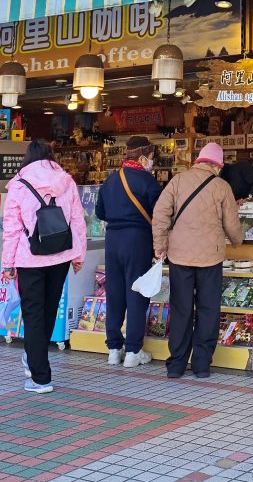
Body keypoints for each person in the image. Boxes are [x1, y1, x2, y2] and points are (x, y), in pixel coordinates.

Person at [1, 138, 87, 394]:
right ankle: (34, 358)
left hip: (30, 258)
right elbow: (77, 220)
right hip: (60, 255)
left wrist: (8, 264)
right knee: (48, 311)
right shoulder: (67, 181)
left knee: (33, 314)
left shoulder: (18, 184)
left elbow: (12, 229)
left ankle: (40, 377)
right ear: (51, 156)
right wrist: (78, 255)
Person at [151, 143, 243, 379]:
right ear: (217, 166)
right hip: (210, 258)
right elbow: (232, 225)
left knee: (181, 309)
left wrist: (160, 246)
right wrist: (237, 241)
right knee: (208, 310)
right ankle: (202, 365)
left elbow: (160, 213)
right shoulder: (222, 187)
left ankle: (176, 365)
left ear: (199, 161)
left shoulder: (178, 181)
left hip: (179, 257)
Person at [95, 136, 162, 369]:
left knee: (114, 294)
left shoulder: (110, 180)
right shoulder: (148, 182)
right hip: (138, 240)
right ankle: (133, 351)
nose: (152, 162)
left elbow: (100, 212)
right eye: (151, 158)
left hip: (113, 240)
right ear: (143, 156)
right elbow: (160, 214)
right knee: (137, 293)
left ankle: (114, 349)